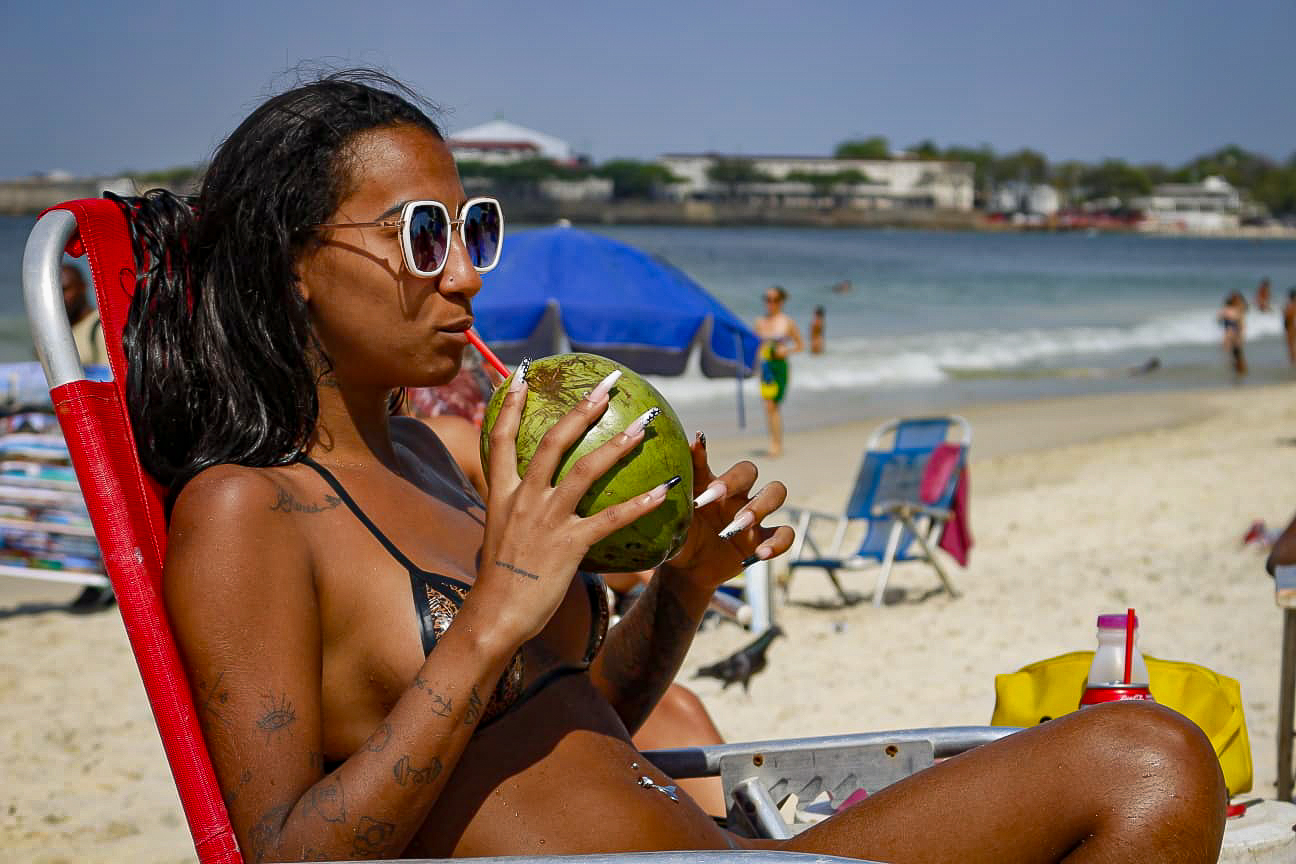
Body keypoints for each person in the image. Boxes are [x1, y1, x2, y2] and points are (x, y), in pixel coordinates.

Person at [116, 71, 1224, 863]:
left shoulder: (436, 455)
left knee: (1148, 757)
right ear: (291, 262)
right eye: (421, 237)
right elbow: (283, 854)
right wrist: (497, 611)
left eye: (475, 231)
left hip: (708, 841)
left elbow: (567, 730)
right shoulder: (248, 511)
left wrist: (686, 585)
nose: (465, 277)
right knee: (1144, 761)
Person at [59, 263, 116, 612]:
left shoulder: (99, 328)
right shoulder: (55, 330)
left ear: (82, 289)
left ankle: (103, 585)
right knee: (79, 517)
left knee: (100, 514)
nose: (62, 298)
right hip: (67, 441)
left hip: (97, 441)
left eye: (66, 290)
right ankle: (90, 581)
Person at [754, 287, 803, 458]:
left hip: (780, 367)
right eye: (767, 299)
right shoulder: (760, 322)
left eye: (774, 299)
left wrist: (785, 351)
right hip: (766, 368)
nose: (770, 303)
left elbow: (800, 345)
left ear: (781, 302)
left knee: (774, 405)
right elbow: (754, 345)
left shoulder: (787, 322)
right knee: (769, 406)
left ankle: (776, 444)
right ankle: (774, 443)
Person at [61, 263, 109, 369]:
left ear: (82, 287)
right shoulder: (57, 332)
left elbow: (110, 379)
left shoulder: (102, 329)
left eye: (65, 289)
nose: (60, 297)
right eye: (55, 291)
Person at [1218, 291, 1248, 376]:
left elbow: (1241, 324)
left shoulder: (1237, 310)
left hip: (1234, 334)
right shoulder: (1233, 310)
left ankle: (1239, 372)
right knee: (1234, 354)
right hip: (1231, 333)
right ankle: (1238, 372)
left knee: (1236, 354)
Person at [1284, 289, 1296, 367]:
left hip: (1291, 328)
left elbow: (1286, 319)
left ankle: (1293, 362)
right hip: (1291, 327)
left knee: (1291, 347)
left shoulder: (1290, 306)